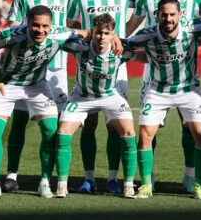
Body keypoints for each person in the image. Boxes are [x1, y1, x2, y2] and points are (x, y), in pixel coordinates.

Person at [126, 0, 201, 193]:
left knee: (189, 126)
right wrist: (118, 43)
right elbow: (131, 26)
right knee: (149, 128)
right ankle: (148, 178)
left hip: (184, 70)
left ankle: (190, 176)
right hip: (154, 71)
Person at [0, 5, 79, 198]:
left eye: (45, 26)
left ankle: (44, 182)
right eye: (35, 25)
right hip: (8, 85)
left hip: (37, 86)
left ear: (51, 26)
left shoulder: (60, 33)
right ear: (27, 22)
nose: (40, 30)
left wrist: (115, 38)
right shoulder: (12, 34)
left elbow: (87, 33)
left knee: (51, 131)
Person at [67, 0, 136, 194]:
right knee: (89, 123)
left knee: (114, 124)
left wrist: (123, 32)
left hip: (117, 67)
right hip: (88, 65)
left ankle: (113, 179)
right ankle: (89, 179)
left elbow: (148, 7)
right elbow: (68, 24)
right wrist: (85, 34)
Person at [2, 0, 71, 193]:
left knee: (54, 126)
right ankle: (11, 174)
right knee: (19, 121)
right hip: (27, 68)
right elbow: (12, 29)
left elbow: (71, 26)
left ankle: (47, 178)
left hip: (57, 67)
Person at [54, 14, 143, 199]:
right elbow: (54, 33)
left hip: (110, 96)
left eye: (106, 33)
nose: (102, 37)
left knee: (128, 132)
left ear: (113, 34)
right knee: (63, 131)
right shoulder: (79, 46)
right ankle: (64, 185)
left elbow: (144, 53)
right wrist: (81, 32)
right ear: (92, 32)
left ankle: (126, 185)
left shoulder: (121, 49)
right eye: (98, 33)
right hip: (82, 97)